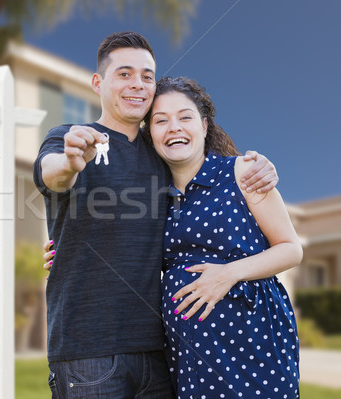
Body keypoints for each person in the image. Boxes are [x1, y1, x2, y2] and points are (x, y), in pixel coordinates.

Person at [33, 31, 278, 399]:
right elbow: (52, 175)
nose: (138, 85)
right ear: (98, 83)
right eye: (125, 74)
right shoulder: (70, 137)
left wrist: (263, 167)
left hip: (160, 349)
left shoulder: (162, 153)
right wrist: (70, 161)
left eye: (147, 76)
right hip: (88, 351)